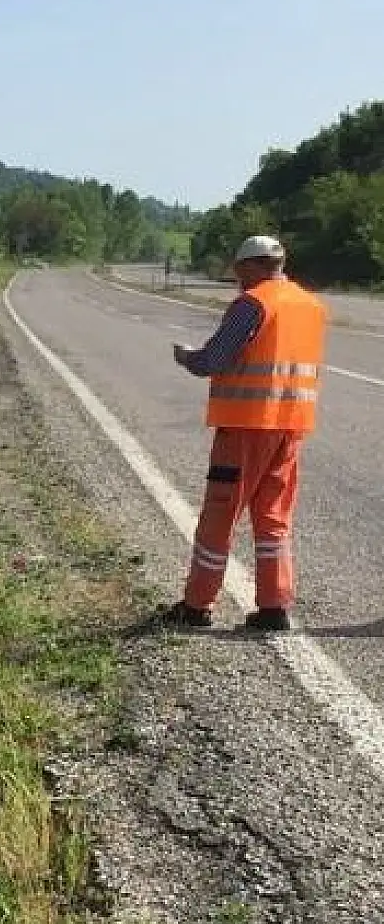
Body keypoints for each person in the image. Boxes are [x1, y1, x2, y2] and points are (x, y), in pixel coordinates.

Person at [162, 235, 327, 632]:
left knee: (220, 515)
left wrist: (186, 356)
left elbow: (213, 360)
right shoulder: (311, 305)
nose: (237, 279)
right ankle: (274, 608)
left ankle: (197, 605)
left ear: (250, 266)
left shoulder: (253, 304)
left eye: (239, 271)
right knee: (273, 519)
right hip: (291, 426)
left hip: (246, 427)